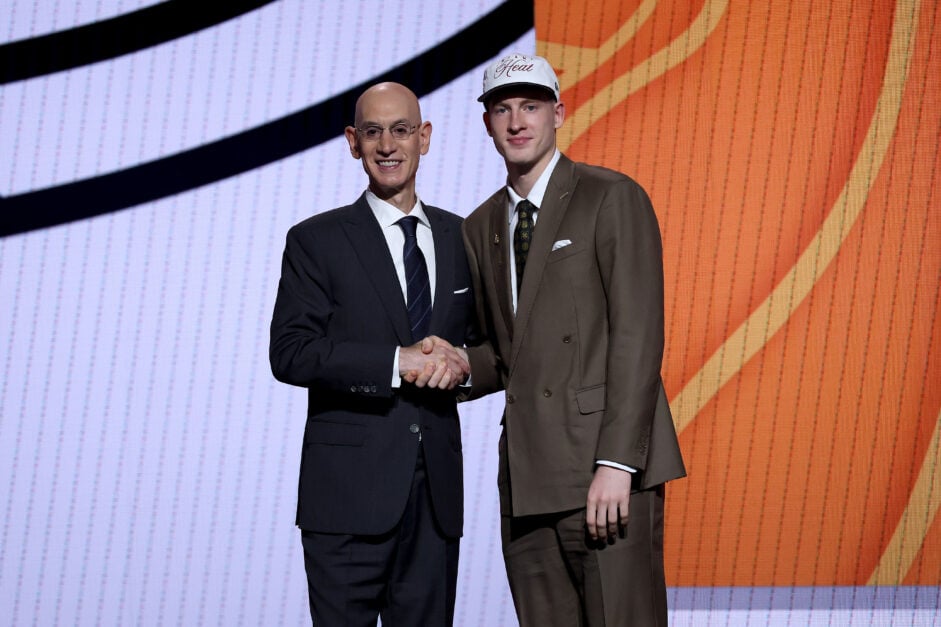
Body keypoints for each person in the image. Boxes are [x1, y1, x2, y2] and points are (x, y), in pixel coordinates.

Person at [459, 53, 687, 626]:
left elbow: (638, 335)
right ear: (486, 122)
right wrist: (456, 365)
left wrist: (617, 464)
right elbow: (506, 354)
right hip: (528, 478)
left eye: (530, 107)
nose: (517, 122)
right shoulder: (479, 225)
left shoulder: (609, 196)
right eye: (503, 109)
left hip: (602, 473)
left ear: (558, 112)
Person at [269, 81, 475, 626]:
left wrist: (464, 364)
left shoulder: (464, 238)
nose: (388, 144)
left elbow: (488, 347)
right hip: (345, 501)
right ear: (352, 142)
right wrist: (395, 362)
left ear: (424, 138)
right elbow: (291, 352)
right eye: (373, 131)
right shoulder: (316, 239)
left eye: (402, 129)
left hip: (435, 503)